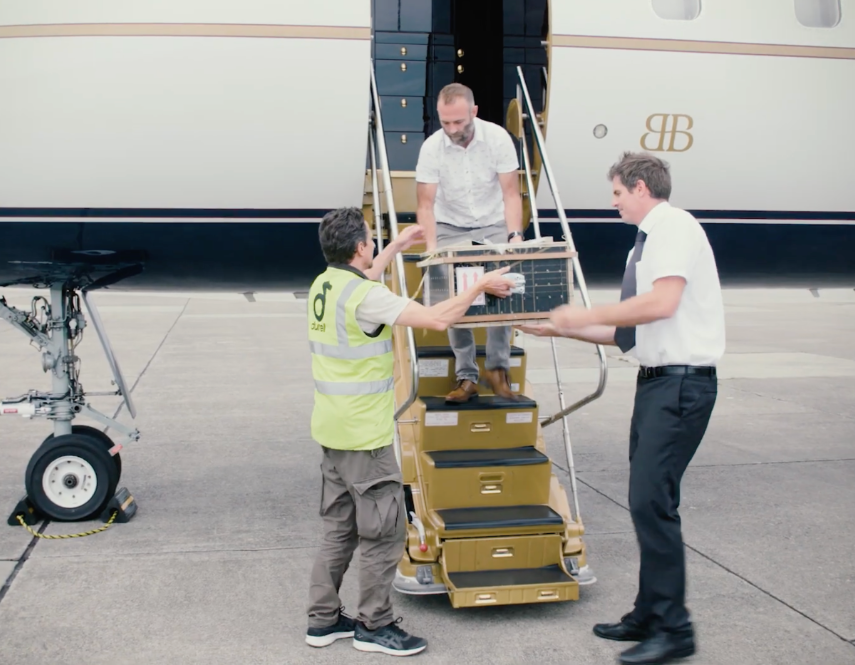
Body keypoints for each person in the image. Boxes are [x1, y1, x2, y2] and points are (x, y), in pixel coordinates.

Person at [519, 152, 724, 665]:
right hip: (658, 385)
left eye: (616, 193)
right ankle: (649, 613)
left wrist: (583, 312)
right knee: (646, 501)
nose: (613, 203)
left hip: (681, 386)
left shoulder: (673, 228)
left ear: (639, 187)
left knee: (652, 503)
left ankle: (674, 630)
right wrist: (559, 328)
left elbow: (660, 304)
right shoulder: (648, 242)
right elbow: (626, 333)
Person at [305, 207, 513, 657]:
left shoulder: (326, 284)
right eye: (372, 239)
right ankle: (374, 625)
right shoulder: (366, 296)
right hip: (365, 437)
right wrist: (477, 285)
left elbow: (365, 279)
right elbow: (437, 319)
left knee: (338, 530)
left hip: (332, 430)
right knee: (383, 534)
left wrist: (398, 246)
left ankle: (322, 620)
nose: (374, 245)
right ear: (360, 246)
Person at [415, 82, 525, 404]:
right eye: (445, 122)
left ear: (474, 112)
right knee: (455, 295)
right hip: (450, 224)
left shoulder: (498, 139)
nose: (452, 129)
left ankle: (498, 369)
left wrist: (514, 236)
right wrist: (432, 249)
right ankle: (466, 376)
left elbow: (510, 194)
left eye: (459, 122)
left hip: (493, 222)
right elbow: (425, 205)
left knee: (502, 288)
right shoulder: (432, 148)